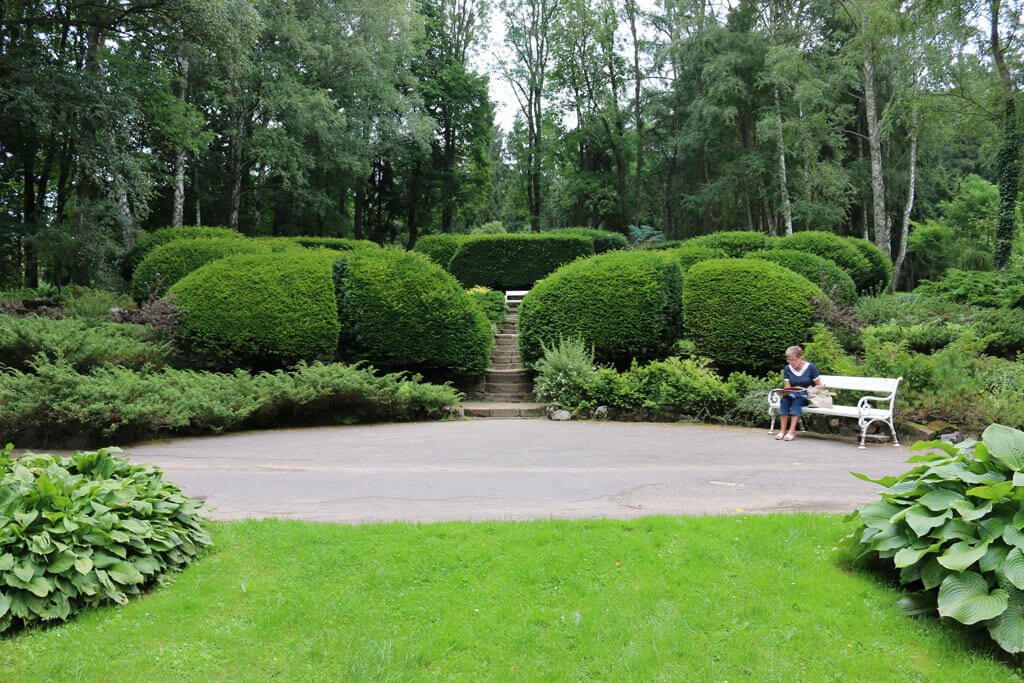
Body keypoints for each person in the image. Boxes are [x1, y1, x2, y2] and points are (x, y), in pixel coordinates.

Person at [775, 345, 822, 441]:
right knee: (784, 400)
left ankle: (792, 431)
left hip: (806, 396)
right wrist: (784, 392)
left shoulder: (810, 367)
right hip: (793, 394)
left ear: (800, 358)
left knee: (797, 400)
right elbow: (787, 387)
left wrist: (809, 389)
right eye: (789, 360)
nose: (791, 362)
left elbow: (820, 386)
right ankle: (782, 431)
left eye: (793, 360)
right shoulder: (788, 368)